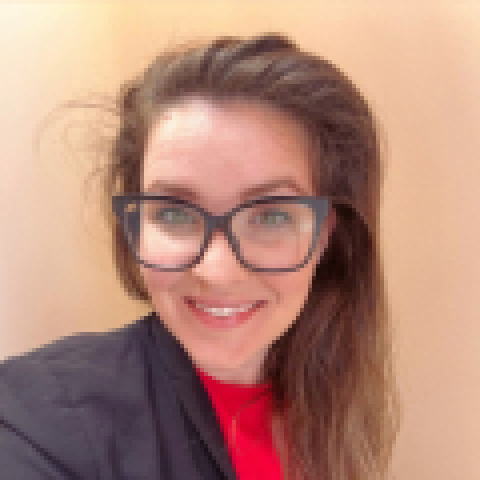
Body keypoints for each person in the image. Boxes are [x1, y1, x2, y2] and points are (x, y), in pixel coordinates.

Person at [0, 33, 398, 480]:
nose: (217, 272)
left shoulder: (332, 397)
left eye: (270, 216)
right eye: (174, 213)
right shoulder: (39, 419)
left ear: (325, 235)